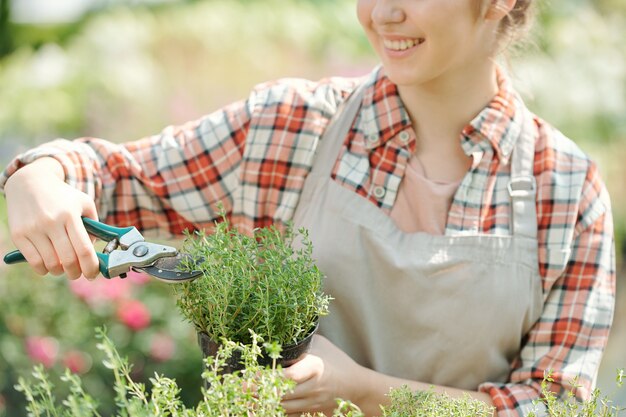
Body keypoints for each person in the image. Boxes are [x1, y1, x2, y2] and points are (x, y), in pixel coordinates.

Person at [0, 0, 616, 416]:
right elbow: (114, 175)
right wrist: (39, 178)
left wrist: (359, 390)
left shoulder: (565, 190)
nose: (383, 13)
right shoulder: (288, 127)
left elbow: (553, 405)